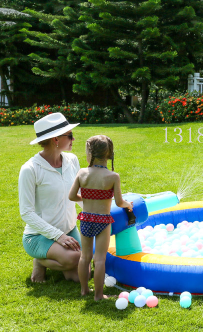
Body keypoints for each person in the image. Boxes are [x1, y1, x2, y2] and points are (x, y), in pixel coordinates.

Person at [19, 113, 82, 283]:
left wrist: (96, 214)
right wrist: (58, 236)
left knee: (80, 274)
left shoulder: (72, 160)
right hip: (38, 236)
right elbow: (26, 213)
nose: (73, 139)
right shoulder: (30, 169)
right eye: (70, 135)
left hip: (69, 229)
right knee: (76, 258)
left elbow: (79, 195)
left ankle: (61, 259)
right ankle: (39, 261)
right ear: (56, 139)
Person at [69, 135, 132, 301]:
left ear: (90, 153)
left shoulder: (82, 173)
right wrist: (128, 204)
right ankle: (98, 295)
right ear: (109, 154)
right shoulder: (113, 176)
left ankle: (84, 290)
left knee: (85, 257)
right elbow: (119, 202)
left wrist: (87, 198)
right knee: (100, 259)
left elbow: (72, 196)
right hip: (103, 221)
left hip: (86, 218)